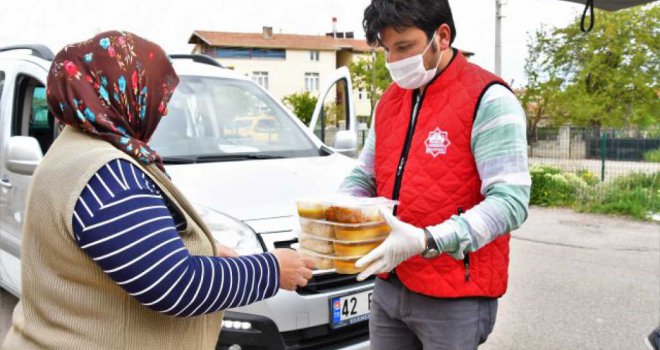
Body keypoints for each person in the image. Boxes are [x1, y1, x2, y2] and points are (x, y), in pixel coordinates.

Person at [2, 31, 313, 350]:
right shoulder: (108, 174)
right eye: (155, 94)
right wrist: (273, 270)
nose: (162, 110)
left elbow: (132, 249)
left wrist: (202, 249)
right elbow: (177, 285)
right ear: (120, 91)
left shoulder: (75, 150)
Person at [339, 1, 531, 349]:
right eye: (387, 49)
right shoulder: (389, 102)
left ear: (442, 36)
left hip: (455, 295)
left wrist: (427, 240)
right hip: (389, 285)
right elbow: (364, 177)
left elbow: (510, 202)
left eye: (404, 46)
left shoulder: (488, 98)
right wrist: (340, 209)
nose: (395, 61)